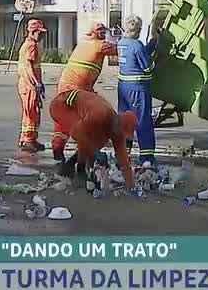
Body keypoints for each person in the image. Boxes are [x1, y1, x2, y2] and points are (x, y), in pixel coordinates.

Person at [51, 22, 118, 161]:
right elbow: (121, 49)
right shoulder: (100, 45)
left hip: (67, 86)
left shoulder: (83, 42)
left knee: (65, 119)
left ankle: (58, 147)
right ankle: (87, 153)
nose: (103, 33)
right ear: (93, 32)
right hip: (77, 89)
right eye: (100, 31)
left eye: (104, 31)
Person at [49, 88, 138, 188]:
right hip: (62, 105)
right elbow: (77, 133)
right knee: (89, 139)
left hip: (81, 112)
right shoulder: (100, 114)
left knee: (98, 141)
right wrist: (95, 152)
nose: (119, 134)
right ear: (117, 123)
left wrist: (131, 184)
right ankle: (79, 169)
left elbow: (123, 160)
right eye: (120, 131)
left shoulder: (118, 131)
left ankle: (71, 166)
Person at [117, 16, 159, 166]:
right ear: (139, 30)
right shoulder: (137, 45)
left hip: (123, 88)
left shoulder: (121, 43)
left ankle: (122, 156)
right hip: (137, 89)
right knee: (143, 122)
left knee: (125, 122)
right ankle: (147, 159)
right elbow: (148, 67)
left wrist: (152, 44)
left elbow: (136, 55)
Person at [17, 19, 47, 153]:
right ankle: (28, 140)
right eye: (40, 33)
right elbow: (29, 66)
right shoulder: (31, 45)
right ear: (33, 32)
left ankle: (28, 138)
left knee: (29, 112)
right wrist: (36, 82)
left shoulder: (27, 44)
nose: (42, 36)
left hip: (26, 84)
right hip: (29, 85)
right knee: (32, 113)